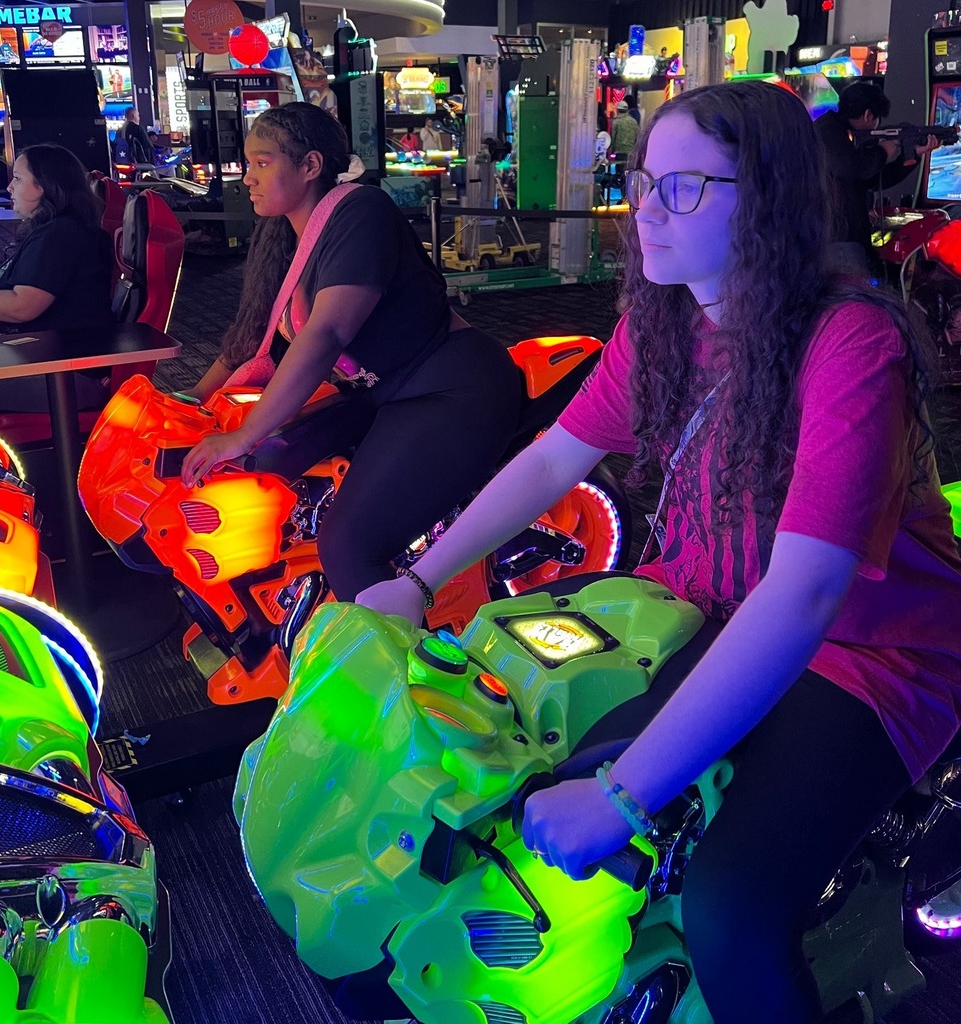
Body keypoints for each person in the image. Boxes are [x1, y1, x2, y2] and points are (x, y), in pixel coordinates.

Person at [356, 80, 961, 1024]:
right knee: (529, 768)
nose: (647, 211)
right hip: (705, 605)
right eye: (644, 183)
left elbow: (804, 596)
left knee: (730, 908)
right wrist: (418, 576)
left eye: (685, 186)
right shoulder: (670, 319)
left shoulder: (850, 341)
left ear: (765, 199)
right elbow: (556, 456)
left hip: (869, 654)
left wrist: (626, 798)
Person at [178, 102, 520, 602]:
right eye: (248, 163)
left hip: (449, 387)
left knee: (348, 543)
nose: (247, 177)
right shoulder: (284, 237)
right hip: (376, 395)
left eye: (263, 162)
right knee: (271, 472)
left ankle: (397, 672)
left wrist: (245, 434)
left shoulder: (360, 210)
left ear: (311, 166)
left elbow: (326, 333)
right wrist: (195, 398)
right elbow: (252, 337)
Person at [0, 144, 113, 410]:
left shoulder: (61, 235)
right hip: (46, 359)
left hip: (63, 376)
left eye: (18, 178)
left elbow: (22, 307)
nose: (9, 187)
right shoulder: (57, 229)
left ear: (44, 186)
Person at [815, 80, 939, 275]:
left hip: (845, 236)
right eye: (877, 117)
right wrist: (882, 151)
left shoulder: (840, 132)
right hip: (837, 238)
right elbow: (857, 168)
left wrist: (913, 155)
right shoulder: (828, 133)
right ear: (868, 115)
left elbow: (875, 179)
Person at [609, 100, 639, 174]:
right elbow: (637, 137)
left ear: (618, 110)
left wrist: (610, 151)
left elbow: (613, 138)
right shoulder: (634, 122)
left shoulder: (616, 122)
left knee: (617, 172)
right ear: (627, 110)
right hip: (630, 153)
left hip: (619, 153)